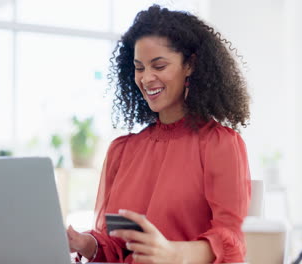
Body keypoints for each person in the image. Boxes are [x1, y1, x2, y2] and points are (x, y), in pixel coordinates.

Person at [67, 4, 251, 264]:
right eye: (139, 67)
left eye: (159, 66)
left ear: (190, 65)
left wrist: (173, 253)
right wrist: (87, 244)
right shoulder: (123, 150)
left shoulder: (219, 144)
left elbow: (231, 240)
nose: (146, 78)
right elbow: (117, 247)